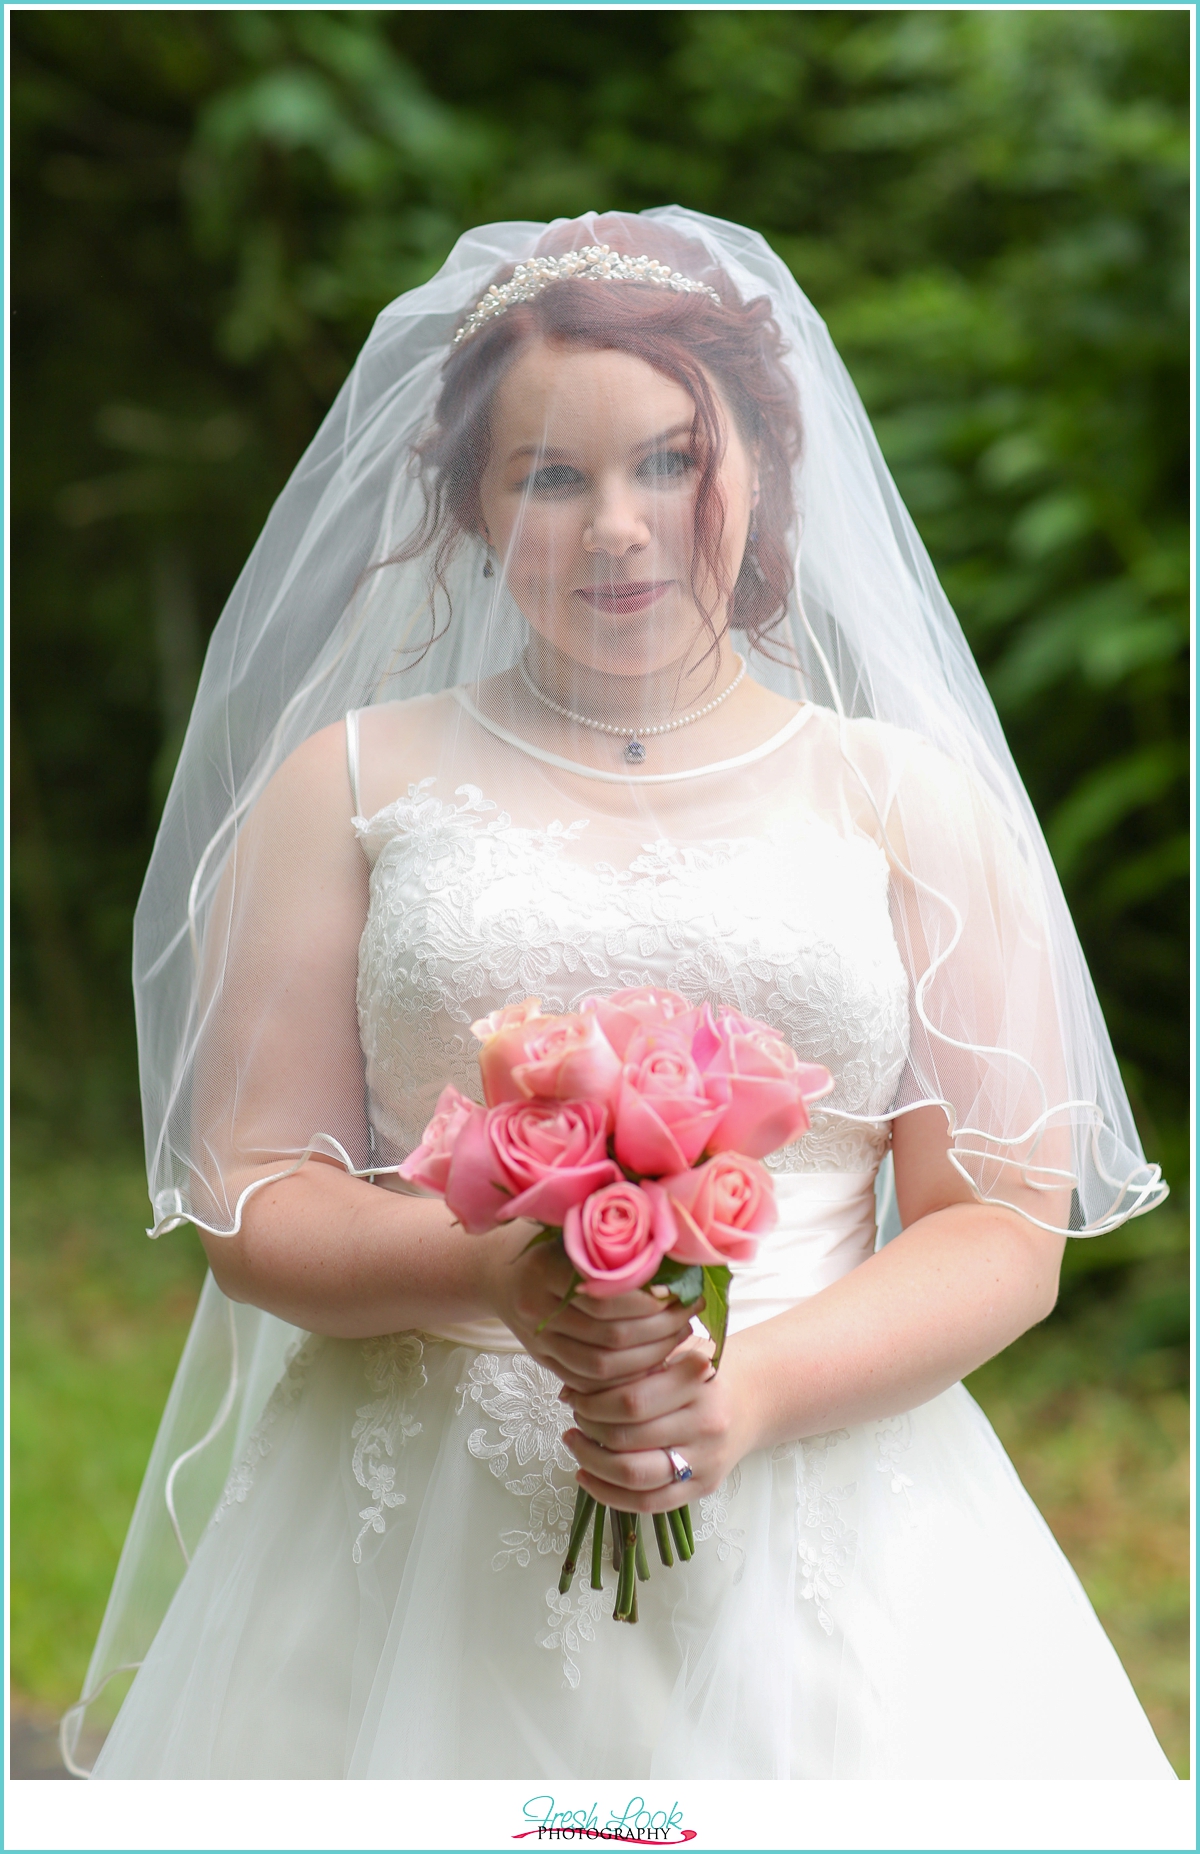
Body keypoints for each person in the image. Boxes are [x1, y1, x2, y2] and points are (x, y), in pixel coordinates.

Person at [64, 209, 1174, 1780]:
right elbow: (248, 1193)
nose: (619, 531)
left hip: (829, 1507)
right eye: (550, 477)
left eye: (669, 462)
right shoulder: (352, 782)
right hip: (411, 1531)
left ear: (767, 470)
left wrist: (747, 1394)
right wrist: (506, 1274)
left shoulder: (910, 801)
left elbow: (1003, 1220)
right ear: (470, 503)